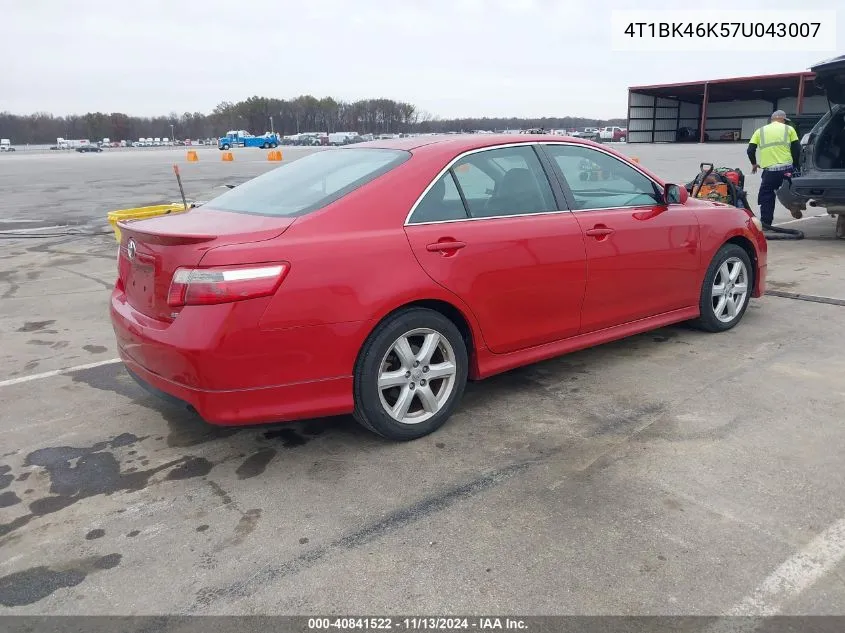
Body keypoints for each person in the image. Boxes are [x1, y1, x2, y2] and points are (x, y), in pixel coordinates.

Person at [747, 110, 801, 229]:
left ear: (772, 120)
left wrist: (754, 164)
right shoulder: (789, 129)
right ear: (783, 119)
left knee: (767, 196)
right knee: (792, 190)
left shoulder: (759, 131)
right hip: (787, 169)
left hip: (770, 172)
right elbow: (797, 149)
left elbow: (750, 150)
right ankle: (794, 205)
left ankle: (766, 224)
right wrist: (796, 165)